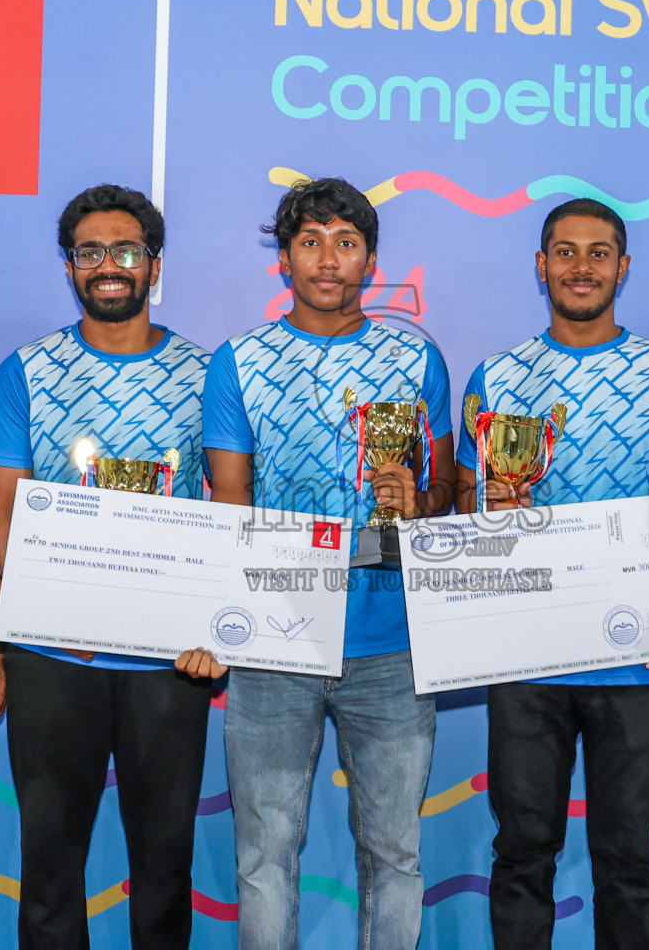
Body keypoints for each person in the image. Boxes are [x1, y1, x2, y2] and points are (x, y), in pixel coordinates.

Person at [455, 198, 649, 949]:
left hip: (639, 655)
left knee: (627, 861)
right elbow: (459, 511)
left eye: (598, 253)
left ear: (623, 267)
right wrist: (483, 504)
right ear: (540, 266)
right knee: (523, 854)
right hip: (526, 656)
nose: (580, 267)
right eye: (564, 251)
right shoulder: (496, 378)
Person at [197, 177, 455, 950]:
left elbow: (444, 489)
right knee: (265, 856)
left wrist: (420, 498)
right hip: (275, 645)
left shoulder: (417, 358)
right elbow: (230, 504)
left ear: (370, 258)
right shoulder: (238, 361)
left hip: (393, 644)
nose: (329, 260)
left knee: (395, 857)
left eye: (346, 242)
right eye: (310, 242)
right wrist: (222, 622)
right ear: (286, 259)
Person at [0, 184, 214, 950]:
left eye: (125, 251)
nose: (107, 266)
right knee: (50, 866)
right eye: (89, 253)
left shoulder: (206, 375)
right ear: (70, 266)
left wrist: (216, 623)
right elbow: (3, 524)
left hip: (168, 661)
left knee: (164, 865)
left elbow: (230, 513)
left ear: (153, 264)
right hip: (54, 656)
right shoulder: (25, 374)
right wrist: (62, 619)